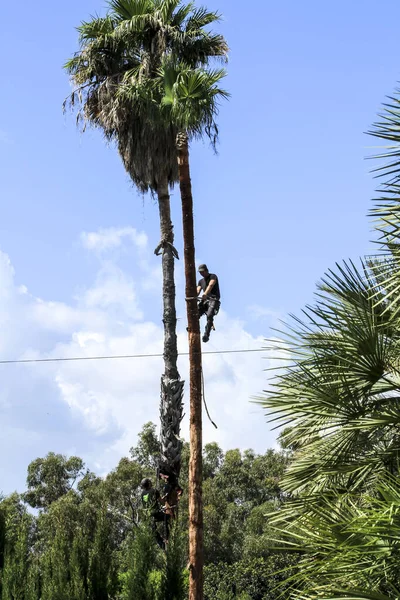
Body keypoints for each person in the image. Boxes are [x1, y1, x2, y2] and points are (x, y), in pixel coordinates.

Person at [140, 478, 169, 549]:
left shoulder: (142, 494)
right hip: (155, 513)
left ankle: (162, 544)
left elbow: (150, 501)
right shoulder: (154, 491)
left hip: (148, 515)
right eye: (150, 481)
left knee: (154, 532)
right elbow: (161, 502)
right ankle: (167, 536)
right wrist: (165, 498)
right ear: (149, 483)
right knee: (167, 517)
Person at [197, 264, 221, 343]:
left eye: (202, 272)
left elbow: (211, 285)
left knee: (210, 315)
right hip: (205, 301)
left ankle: (206, 334)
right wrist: (194, 296)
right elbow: (198, 290)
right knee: (196, 312)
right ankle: (192, 326)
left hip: (213, 299)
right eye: (200, 272)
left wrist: (205, 294)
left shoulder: (213, 276)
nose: (201, 273)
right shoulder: (201, 281)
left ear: (206, 270)